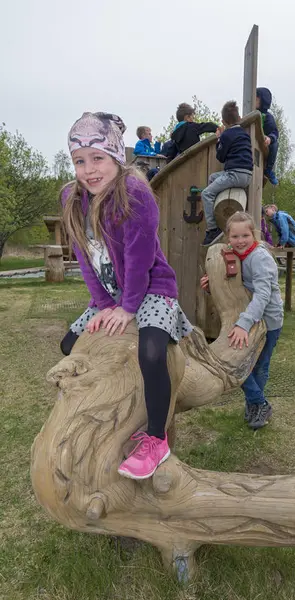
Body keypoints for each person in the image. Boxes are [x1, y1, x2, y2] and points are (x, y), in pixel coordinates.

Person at [60, 111, 193, 480]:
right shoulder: (72, 199)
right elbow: (85, 258)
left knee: (150, 351)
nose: (89, 169)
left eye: (98, 158)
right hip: (110, 293)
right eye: (79, 161)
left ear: (117, 157)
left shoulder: (134, 193)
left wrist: (128, 308)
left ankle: (156, 437)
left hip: (150, 287)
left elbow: (140, 260)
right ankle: (112, 400)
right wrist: (104, 305)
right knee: (71, 345)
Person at [200, 211, 283, 429]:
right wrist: (214, 287)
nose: (240, 241)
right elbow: (236, 288)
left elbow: (263, 296)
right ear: (228, 237)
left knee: (258, 367)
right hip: (249, 317)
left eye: (245, 236)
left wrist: (243, 325)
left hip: (268, 320)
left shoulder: (260, 257)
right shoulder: (239, 256)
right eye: (235, 237)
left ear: (253, 234)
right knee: (239, 365)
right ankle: (257, 403)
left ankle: (257, 404)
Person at [201, 100, 253, 247]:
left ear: (224, 121)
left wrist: (219, 138)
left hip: (234, 174)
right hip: (246, 175)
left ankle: (213, 229)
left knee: (206, 194)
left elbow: (220, 156)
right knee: (213, 178)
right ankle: (218, 207)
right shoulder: (244, 133)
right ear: (239, 118)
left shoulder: (227, 135)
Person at [256, 87, 279, 186]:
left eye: (256, 98)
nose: (253, 100)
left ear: (262, 101)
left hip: (264, 146)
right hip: (251, 144)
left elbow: (275, 132)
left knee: (275, 144)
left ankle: (268, 169)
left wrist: (270, 138)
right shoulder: (250, 114)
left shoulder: (267, 117)